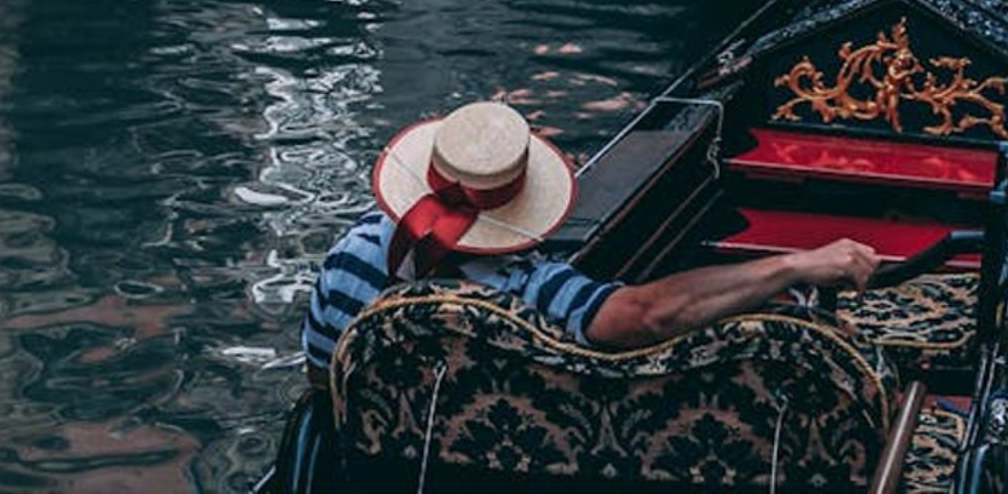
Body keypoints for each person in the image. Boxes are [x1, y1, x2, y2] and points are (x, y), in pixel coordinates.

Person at [302, 99, 882, 379]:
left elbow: (325, 379)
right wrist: (791, 266)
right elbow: (648, 314)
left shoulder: (348, 259)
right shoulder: (527, 290)